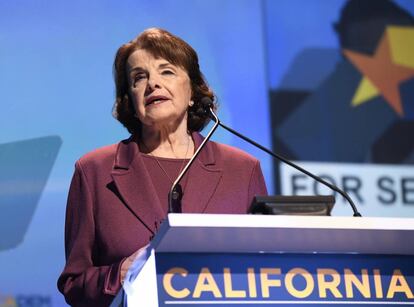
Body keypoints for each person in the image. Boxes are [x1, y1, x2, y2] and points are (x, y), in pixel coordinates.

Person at [57, 28, 267, 306]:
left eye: (166, 71)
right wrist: (119, 274)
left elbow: (266, 268)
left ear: (193, 91)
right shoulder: (94, 171)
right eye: (138, 77)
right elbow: (74, 283)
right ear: (130, 100)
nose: (152, 83)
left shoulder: (242, 170)